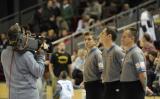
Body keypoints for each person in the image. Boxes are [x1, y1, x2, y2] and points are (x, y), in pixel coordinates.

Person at [1, 24, 45, 99]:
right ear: (20, 37)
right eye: (24, 36)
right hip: (29, 95)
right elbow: (39, 72)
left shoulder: (3, 53)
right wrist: (41, 55)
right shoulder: (26, 55)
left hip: (12, 95)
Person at [120, 27, 152, 99]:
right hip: (127, 89)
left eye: (124, 37)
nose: (121, 39)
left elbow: (142, 75)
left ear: (132, 38)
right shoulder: (128, 53)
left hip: (134, 90)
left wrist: (144, 88)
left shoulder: (136, 53)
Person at [99, 27, 124, 99]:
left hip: (117, 85)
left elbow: (126, 69)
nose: (100, 35)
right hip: (106, 85)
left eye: (103, 33)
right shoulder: (104, 51)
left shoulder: (118, 51)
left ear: (109, 36)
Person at [82, 32, 104, 99]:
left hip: (95, 85)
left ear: (95, 41)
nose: (86, 41)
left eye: (89, 39)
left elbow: (102, 70)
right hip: (89, 85)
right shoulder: (87, 54)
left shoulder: (97, 53)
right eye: (85, 39)